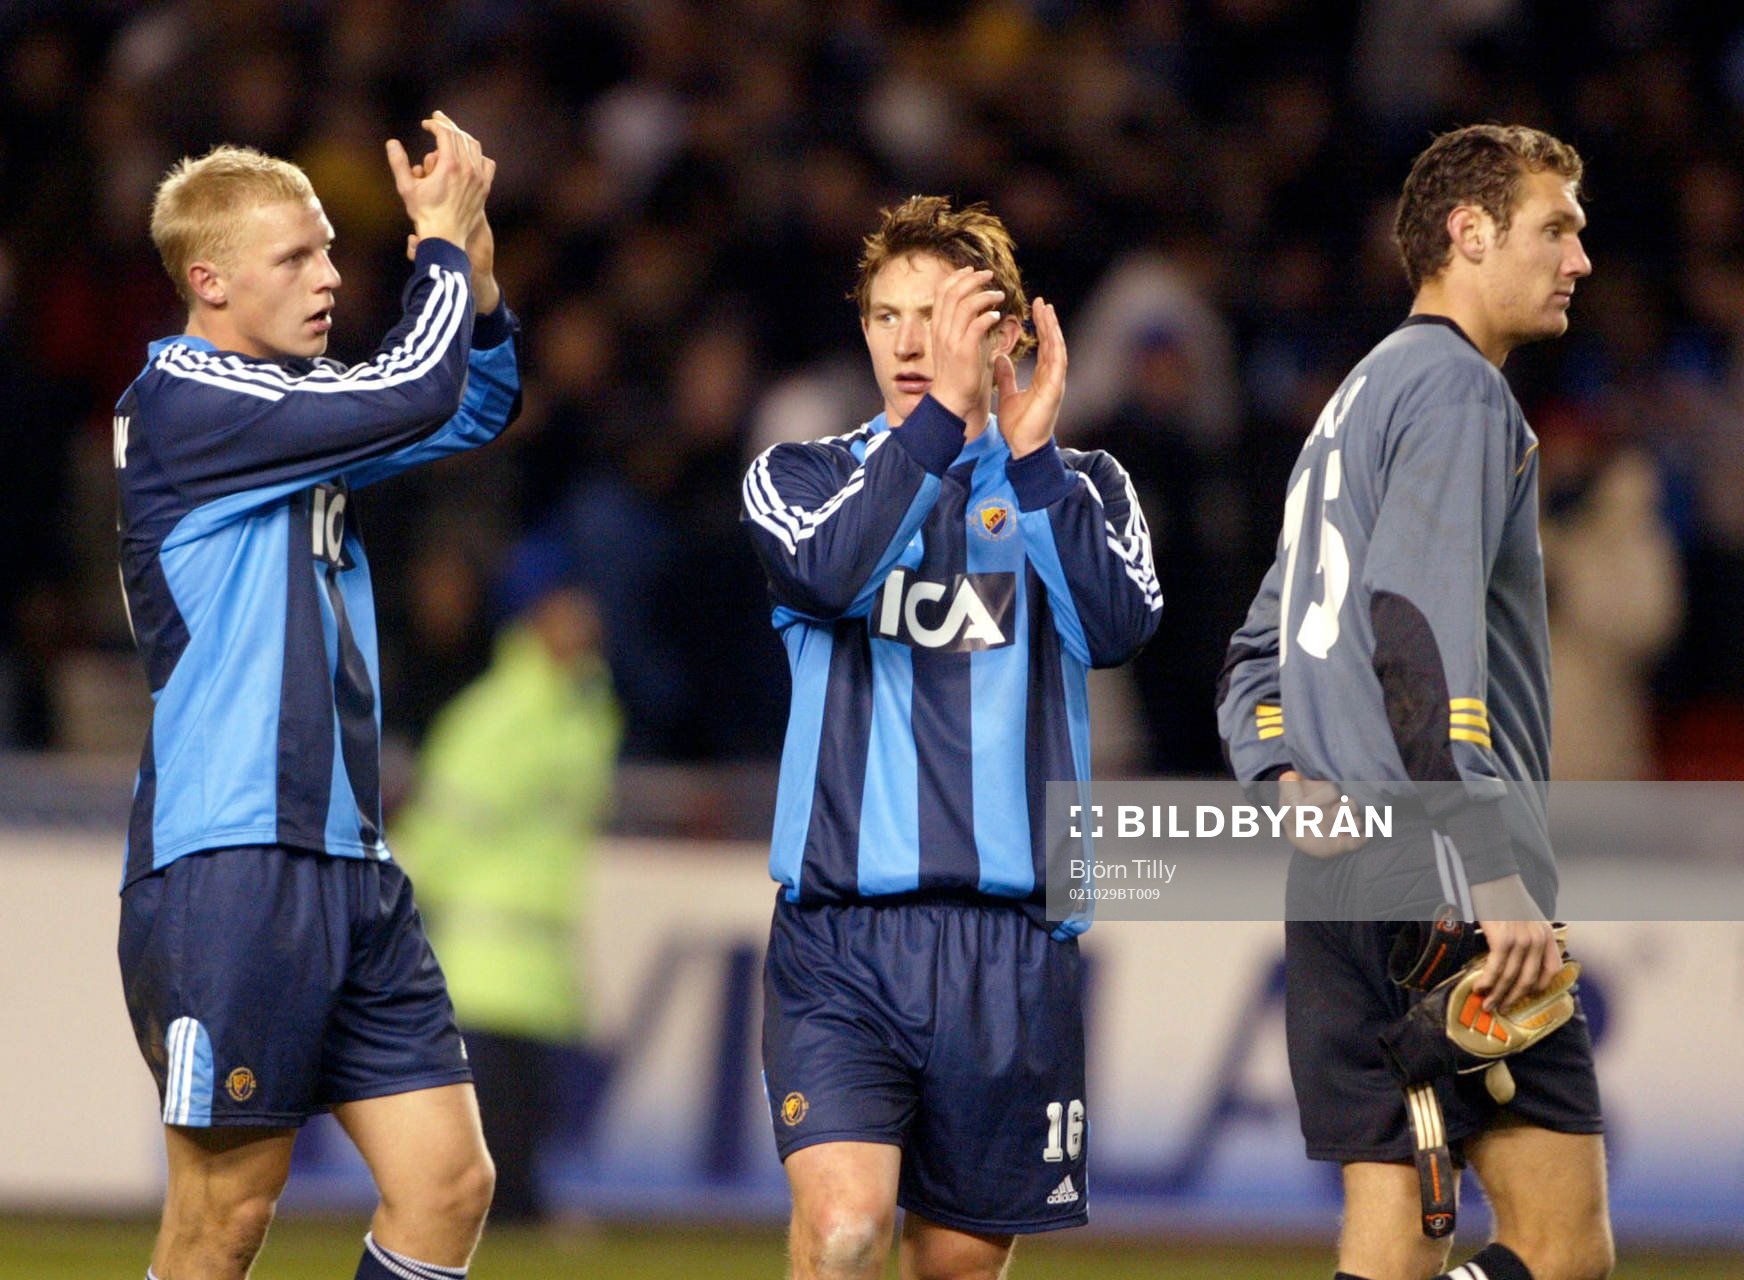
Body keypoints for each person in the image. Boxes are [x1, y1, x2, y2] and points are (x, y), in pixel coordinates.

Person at [114, 112, 519, 1280]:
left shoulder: (284, 417)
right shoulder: (189, 401)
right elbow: (407, 389)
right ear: (210, 279)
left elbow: (465, 402)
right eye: (297, 256)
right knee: (224, 1214)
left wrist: (476, 287)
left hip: (348, 859)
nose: (333, 277)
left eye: (333, 250)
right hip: (232, 851)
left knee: (446, 1184)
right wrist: (437, 246)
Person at [1216, 125, 1613, 1280]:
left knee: (1391, 1244)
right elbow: (1412, 640)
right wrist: (1492, 874)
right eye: (1557, 227)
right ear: (1468, 231)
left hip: (1342, 877)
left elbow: (1253, 657)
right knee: (1560, 1248)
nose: (1578, 258)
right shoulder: (1456, 392)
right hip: (1442, 882)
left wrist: (1283, 773)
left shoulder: (1349, 409)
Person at [741, 196, 1161, 1280]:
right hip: (841, 940)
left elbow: (1115, 629)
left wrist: (1027, 466)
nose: (910, 342)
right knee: (841, 1229)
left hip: (1012, 947)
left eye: (940, 315)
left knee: (958, 1266)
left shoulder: (1085, 488)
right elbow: (829, 572)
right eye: (887, 316)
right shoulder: (803, 476)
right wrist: (941, 429)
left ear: (1009, 332)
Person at [393, 558, 620, 1225]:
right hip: (485, 954)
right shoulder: (501, 713)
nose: (583, 627)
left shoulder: (578, 712)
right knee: (491, 1125)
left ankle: (518, 1212)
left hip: (537, 956)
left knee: (526, 1116)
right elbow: (441, 823)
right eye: (566, 613)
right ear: (534, 622)